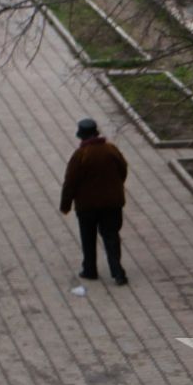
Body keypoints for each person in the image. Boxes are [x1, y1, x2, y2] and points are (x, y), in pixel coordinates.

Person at [59, 117, 130, 286]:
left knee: (88, 237)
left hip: (87, 206)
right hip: (112, 203)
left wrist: (65, 205)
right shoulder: (111, 150)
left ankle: (90, 269)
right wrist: (115, 187)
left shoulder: (80, 155)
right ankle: (118, 272)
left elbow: (70, 182)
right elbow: (123, 169)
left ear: (82, 137)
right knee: (111, 236)